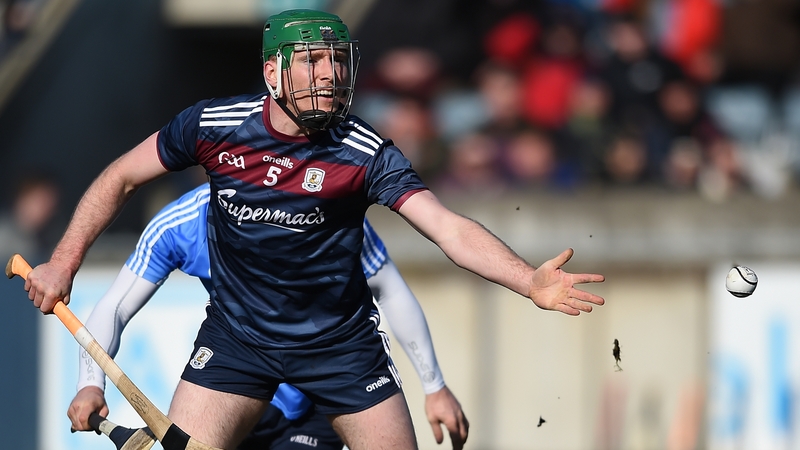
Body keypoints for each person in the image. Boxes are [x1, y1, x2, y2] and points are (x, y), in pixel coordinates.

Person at [24, 9, 605, 450]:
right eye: (312, 61)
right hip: (238, 343)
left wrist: (528, 280)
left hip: (342, 349)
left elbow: (448, 229)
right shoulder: (213, 126)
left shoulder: (363, 150)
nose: (328, 75)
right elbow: (121, 177)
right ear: (272, 71)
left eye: (336, 62)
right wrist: (64, 263)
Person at [67, 182, 469, 449]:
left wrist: (434, 385)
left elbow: (388, 287)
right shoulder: (181, 224)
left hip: (314, 397)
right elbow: (116, 306)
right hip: (236, 387)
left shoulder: (324, 215)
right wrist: (90, 382)